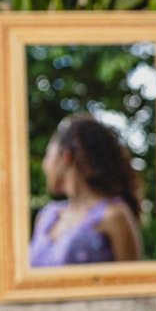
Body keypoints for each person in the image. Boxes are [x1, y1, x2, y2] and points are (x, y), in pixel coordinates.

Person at [28, 112, 144, 265]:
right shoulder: (46, 217)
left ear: (66, 156)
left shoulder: (114, 215)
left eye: (48, 155)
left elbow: (134, 283)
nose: (44, 165)